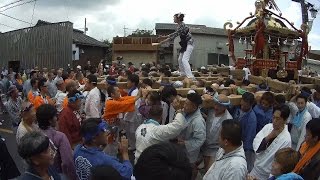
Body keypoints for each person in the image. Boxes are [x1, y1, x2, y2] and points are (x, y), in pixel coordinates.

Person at [249, 105, 292, 180]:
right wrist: (268, 137)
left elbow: (280, 162)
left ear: (285, 120)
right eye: (273, 117)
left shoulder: (286, 139)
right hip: (255, 169)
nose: (274, 121)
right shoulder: (268, 127)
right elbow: (256, 142)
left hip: (268, 175)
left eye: (278, 119)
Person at [37, 104, 77, 180]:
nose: (57, 118)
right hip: (57, 174)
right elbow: (67, 162)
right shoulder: (59, 137)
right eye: (55, 116)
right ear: (50, 120)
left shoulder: (35, 135)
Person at [177, 92, 206, 180]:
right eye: (185, 103)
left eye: (186, 104)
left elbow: (200, 140)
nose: (184, 106)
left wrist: (185, 143)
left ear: (194, 107)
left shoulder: (198, 121)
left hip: (190, 151)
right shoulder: (187, 112)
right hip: (182, 147)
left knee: (190, 168)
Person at [201, 94, 233, 171]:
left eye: (219, 106)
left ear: (225, 107)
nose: (216, 107)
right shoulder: (211, 111)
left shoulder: (228, 120)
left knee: (210, 170)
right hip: (205, 145)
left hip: (217, 149)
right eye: (215, 104)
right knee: (206, 167)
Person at [158, 13, 194, 79]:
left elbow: (174, 35)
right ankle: (183, 73)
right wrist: (163, 39)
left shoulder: (183, 25)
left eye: (174, 18)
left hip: (189, 44)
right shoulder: (179, 26)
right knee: (180, 59)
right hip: (185, 44)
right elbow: (174, 35)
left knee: (184, 60)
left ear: (178, 18)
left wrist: (163, 39)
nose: (173, 19)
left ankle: (190, 76)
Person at [233, 92, 257, 172]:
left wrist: (244, 150)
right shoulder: (237, 109)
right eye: (242, 104)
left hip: (243, 146)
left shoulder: (252, 119)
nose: (242, 107)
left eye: (245, 106)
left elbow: (249, 137)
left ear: (251, 105)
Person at [123, 74, 141, 150]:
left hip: (133, 115)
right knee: (129, 133)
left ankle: (137, 147)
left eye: (128, 81)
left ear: (133, 83)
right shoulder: (132, 90)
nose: (127, 82)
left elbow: (134, 104)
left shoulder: (135, 92)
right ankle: (133, 146)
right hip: (130, 115)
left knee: (133, 132)